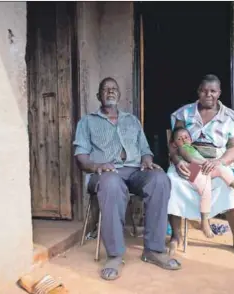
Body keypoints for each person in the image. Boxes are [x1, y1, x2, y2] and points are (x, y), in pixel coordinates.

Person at [73, 77, 182, 281]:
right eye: (105, 89)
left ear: (119, 95)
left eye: (114, 89)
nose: (110, 92)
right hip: (104, 173)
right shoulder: (87, 122)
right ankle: (114, 256)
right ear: (99, 96)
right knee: (111, 184)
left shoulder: (132, 120)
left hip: (134, 170)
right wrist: (97, 166)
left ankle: (154, 250)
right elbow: (81, 157)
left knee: (159, 179)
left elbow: (145, 150)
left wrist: (148, 161)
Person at [167, 74, 234, 259]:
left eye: (213, 91)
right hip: (190, 164)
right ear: (198, 92)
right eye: (204, 90)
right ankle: (176, 236)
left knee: (230, 187)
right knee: (172, 181)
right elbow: (174, 141)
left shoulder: (230, 117)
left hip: (215, 163)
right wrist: (177, 160)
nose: (208, 94)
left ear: (219, 93)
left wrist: (220, 162)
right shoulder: (184, 114)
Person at [170, 126, 234, 238]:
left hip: (201, 167)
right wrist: (206, 163)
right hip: (192, 170)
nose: (183, 140)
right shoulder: (183, 149)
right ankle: (204, 221)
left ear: (191, 139)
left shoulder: (191, 147)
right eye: (179, 139)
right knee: (206, 187)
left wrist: (209, 164)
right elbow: (191, 158)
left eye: (186, 137)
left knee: (222, 169)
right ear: (175, 144)